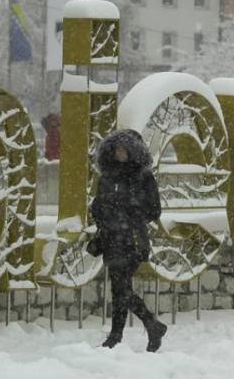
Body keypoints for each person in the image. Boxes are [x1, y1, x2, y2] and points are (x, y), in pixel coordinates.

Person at [87, 129, 167, 352]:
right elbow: (98, 204)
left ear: (134, 152)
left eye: (124, 150)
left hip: (131, 239)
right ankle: (139, 329)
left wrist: (127, 209)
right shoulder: (107, 176)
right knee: (119, 290)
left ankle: (126, 333)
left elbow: (154, 210)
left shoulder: (143, 177)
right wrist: (100, 210)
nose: (120, 154)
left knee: (121, 289)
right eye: (116, 150)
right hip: (111, 239)